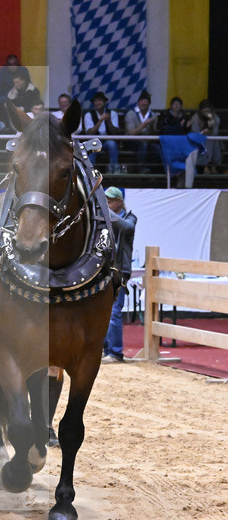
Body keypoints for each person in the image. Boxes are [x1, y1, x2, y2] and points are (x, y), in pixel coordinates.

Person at [101, 187, 137, 364]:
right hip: (104, 270)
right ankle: (107, 350)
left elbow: (127, 227)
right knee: (103, 313)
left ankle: (115, 353)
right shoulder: (106, 217)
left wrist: (105, 212)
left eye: (109, 201)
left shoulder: (130, 217)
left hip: (120, 272)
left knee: (114, 312)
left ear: (119, 202)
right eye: (105, 201)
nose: (106, 204)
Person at [82, 91, 122, 173]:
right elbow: (89, 133)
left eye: (100, 100)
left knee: (112, 144)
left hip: (108, 140)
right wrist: (100, 121)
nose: (98, 103)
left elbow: (115, 132)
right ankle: (90, 173)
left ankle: (113, 170)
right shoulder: (89, 115)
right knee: (91, 147)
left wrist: (108, 121)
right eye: (96, 101)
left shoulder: (112, 113)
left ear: (104, 102)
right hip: (94, 141)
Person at [123, 90, 159, 174]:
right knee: (143, 144)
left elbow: (153, 135)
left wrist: (151, 126)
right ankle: (141, 169)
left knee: (157, 148)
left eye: (146, 101)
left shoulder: (153, 116)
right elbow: (130, 133)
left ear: (149, 103)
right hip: (131, 141)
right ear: (138, 102)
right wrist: (144, 124)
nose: (144, 103)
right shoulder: (131, 113)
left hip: (147, 141)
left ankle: (155, 172)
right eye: (142, 101)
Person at [190, 99, 222, 173]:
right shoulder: (196, 117)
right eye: (204, 111)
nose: (206, 113)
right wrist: (203, 133)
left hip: (211, 139)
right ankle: (204, 165)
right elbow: (195, 131)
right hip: (199, 140)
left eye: (207, 111)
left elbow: (215, 132)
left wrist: (210, 120)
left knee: (213, 143)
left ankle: (213, 165)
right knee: (206, 144)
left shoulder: (215, 118)